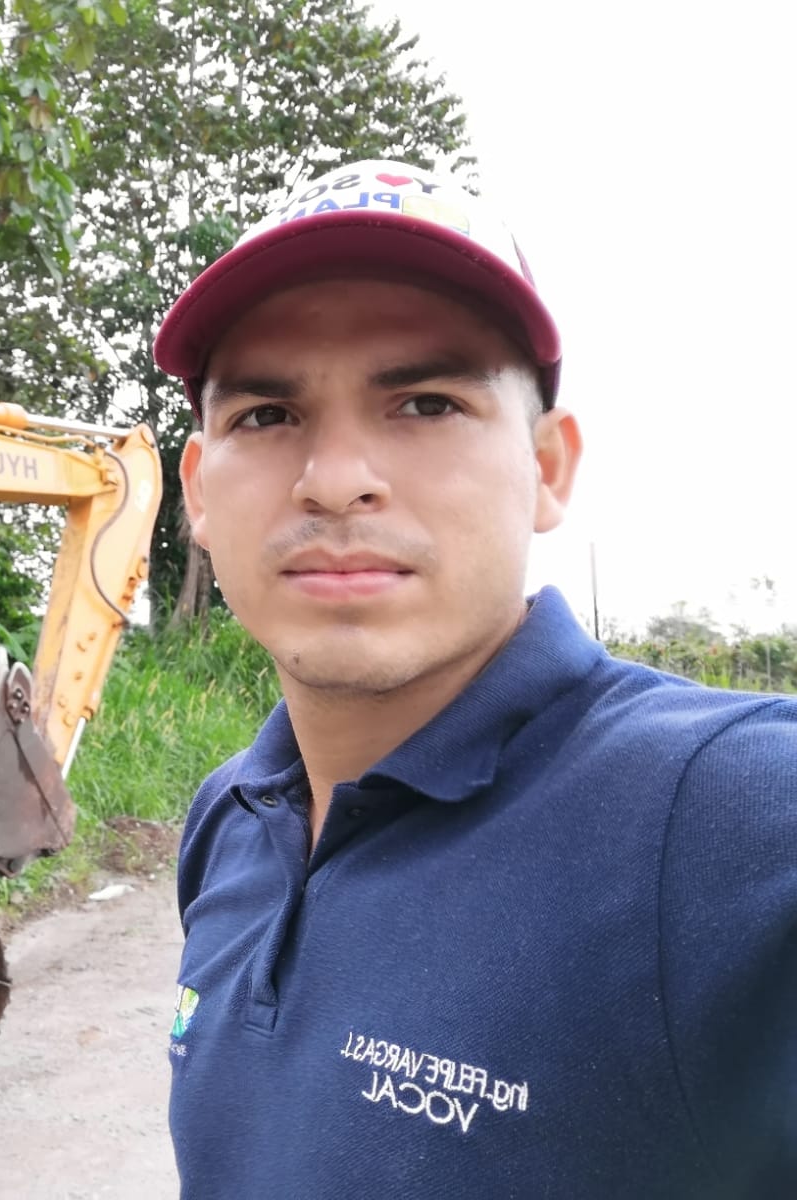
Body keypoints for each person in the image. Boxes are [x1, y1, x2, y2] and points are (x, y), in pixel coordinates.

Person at [155, 160, 796, 1196]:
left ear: (547, 467)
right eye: (266, 416)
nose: (335, 481)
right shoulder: (229, 816)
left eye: (425, 402)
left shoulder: (723, 819)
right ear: (196, 488)